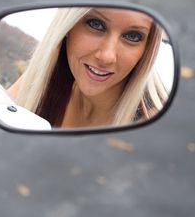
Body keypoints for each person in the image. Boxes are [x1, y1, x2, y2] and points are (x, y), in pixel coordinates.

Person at [9, 7, 168, 128]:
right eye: (96, 24)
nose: (106, 56)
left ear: (147, 50)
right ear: (67, 27)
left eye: (133, 36)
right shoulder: (40, 81)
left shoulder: (153, 121)